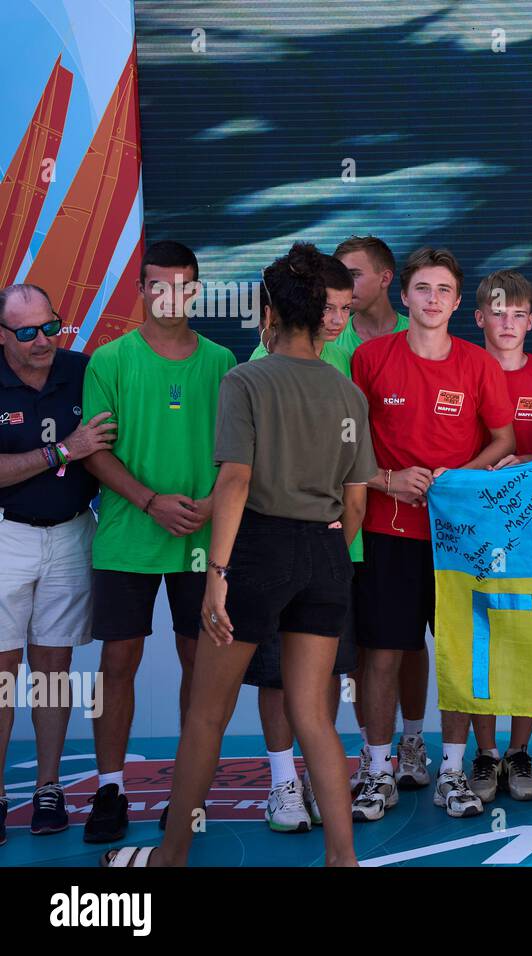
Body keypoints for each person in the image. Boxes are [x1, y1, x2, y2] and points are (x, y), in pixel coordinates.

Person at [100, 241, 376, 867]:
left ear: (270, 315)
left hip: (258, 552)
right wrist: (327, 542)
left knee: (206, 714)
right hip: (328, 555)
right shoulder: (347, 393)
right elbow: (354, 503)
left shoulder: (245, 378)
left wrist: (218, 574)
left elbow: (234, 482)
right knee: (315, 715)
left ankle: (170, 856)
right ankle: (343, 859)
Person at [350, 247, 514, 820]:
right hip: (387, 530)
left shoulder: (477, 364)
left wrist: (456, 477)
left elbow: (503, 441)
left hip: (457, 536)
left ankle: (451, 770)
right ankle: (375, 771)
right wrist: (387, 480)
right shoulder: (370, 358)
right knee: (384, 655)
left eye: (444, 290)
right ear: (404, 296)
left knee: (456, 655)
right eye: (423, 288)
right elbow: (348, 445)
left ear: (456, 300)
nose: (433, 299)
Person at [80, 241, 236, 844]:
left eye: (183, 284)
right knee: (118, 664)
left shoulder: (224, 362)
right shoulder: (110, 360)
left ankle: (186, 794)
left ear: (196, 290)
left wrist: (211, 504)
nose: (170, 296)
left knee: (201, 664)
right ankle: (110, 788)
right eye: (158, 284)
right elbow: (94, 451)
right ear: (141, 290)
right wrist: (149, 500)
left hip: (204, 541)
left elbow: (238, 455)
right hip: (127, 537)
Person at [243, 254, 362, 831]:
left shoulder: (353, 365)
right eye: (329, 305)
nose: (337, 317)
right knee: (276, 676)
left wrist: (334, 544)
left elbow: (356, 485)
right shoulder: (254, 368)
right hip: (276, 546)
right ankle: (284, 783)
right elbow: (243, 475)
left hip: (326, 551)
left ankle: (318, 791)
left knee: (319, 693)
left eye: (346, 306)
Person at [0, 285, 115, 844]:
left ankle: (49, 788)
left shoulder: (82, 368)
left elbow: (112, 444)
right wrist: (61, 451)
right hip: (5, 537)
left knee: (53, 670)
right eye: (26, 332)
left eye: (50, 326)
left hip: (72, 533)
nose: (42, 340)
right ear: (2, 335)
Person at [331, 236, 428, 795]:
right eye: (338, 278)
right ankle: (371, 757)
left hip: (400, 526)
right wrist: (381, 479)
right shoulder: (324, 335)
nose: (345, 288)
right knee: (357, 651)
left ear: (388, 279)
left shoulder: (421, 335)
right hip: (340, 524)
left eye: (354, 275)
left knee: (404, 642)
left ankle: (410, 743)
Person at [466, 268, 532, 803]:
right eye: (496, 313)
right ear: (479, 317)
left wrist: (524, 461)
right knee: (479, 638)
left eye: (517, 314)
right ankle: (483, 755)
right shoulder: (459, 368)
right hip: (473, 531)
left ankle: (519, 751)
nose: (507, 323)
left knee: (528, 637)